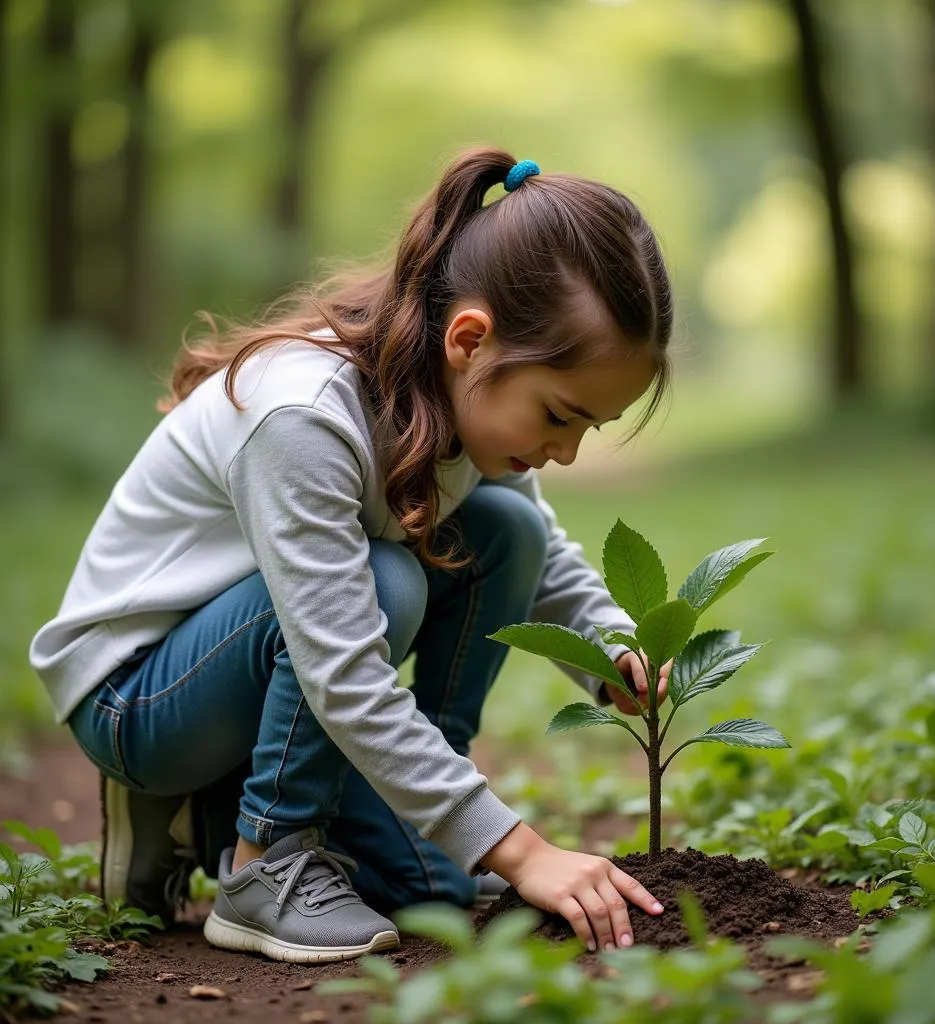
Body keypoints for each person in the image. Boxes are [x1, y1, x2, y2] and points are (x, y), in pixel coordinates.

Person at [29, 147, 676, 964]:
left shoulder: (465, 412)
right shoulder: (304, 416)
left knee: (510, 532)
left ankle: (407, 816)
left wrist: (611, 647)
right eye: (559, 416)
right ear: (469, 340)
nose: (568, 452)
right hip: (140, 696)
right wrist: (520, 850)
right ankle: (264, 862)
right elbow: (340, 670)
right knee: (385, 581)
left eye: (589, 428)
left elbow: (541, 560)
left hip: (260, 659)